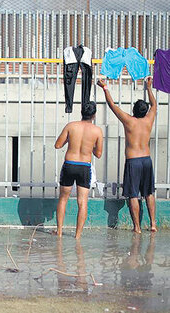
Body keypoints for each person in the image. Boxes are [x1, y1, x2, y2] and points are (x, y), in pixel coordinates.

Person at [98, 77, 157, 233]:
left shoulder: (129, 121)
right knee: (149, 193)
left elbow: (112, 106)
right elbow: (154, 104)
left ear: (133, 110)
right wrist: (149, 87)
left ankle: (137, 227)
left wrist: (105, 88)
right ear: (145, 111)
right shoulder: (149, 120)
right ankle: (153, 224)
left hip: (133, 161)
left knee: (132, 194)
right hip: (146, 160)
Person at [54, 101, 103, 239]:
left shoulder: (71, 126)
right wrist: (89, 145)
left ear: (82, 112)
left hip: (70, 164)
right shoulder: (97, 131)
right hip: (84, 167)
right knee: (82, 202)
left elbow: (57, 145)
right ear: (94, 115)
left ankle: (59, 232)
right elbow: (98, 154)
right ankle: (77, 235)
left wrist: (71, 141)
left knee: (63, 198)